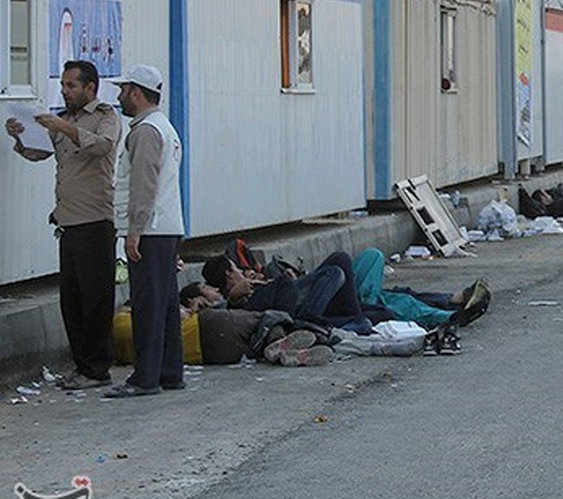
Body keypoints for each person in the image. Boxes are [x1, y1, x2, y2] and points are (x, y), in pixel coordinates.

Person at [5, 61, 122, 390]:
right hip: (68, 221)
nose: (66, 91)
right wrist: (20, 137)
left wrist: (63, 126)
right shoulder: (64, 119)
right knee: (72, 301)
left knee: (95, 299)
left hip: (95, 220)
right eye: (64, 86)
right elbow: (39, 153)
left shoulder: (105, 116)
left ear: (90, 87)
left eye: (72, 86)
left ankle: (97, 369)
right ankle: (82, 366)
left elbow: (102, 147)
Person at [105, 64, 185, 398]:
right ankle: (169, 372)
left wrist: (133, 231)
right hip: (166, 227)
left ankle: (146, 377)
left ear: (137, 93)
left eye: (123, 90)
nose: (120, 96)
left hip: (150, 230)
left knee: (147, 304)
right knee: (165, 303)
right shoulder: (163, 127)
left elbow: (143, 185)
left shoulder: (145, 131)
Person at [202, 251, 372, 332]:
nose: (240, 271)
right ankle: (315, 323)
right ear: (229, 275)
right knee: (335, 271)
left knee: (339, 260)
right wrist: (233, 297)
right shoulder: (228, 300)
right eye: (236, 269)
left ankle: (353, 317)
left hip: (288, 294)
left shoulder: (246, 285)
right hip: (294, 310)